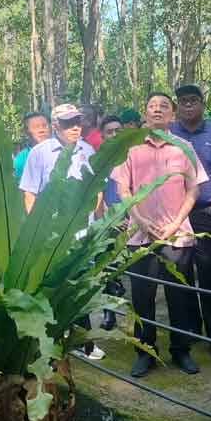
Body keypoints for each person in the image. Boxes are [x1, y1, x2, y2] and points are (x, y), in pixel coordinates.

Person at [112, 92, 209, 377]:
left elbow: (194, 189)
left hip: (176, 234)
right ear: (145, 113)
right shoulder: (129, 148)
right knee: (142, 296)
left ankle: (181, 350)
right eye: (152, 106)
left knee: (178, 294)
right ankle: (145, 352)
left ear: (172, 115)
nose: (157, 110)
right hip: (139, 234)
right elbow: (123, 190)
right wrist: (140, 220)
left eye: (163, 106)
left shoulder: (184, 147)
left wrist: (176, 223)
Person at [20, 103, 103, 359]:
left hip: (82, 233)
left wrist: (95, 222)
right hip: (52, 236)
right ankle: (50, 343)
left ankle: (85, 342)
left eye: (78, 121)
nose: (74, 127)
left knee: (81, 287)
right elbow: (30, 193)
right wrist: (37, 229)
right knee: (53, 287)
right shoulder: (40, 153)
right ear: (55, 126)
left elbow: (97, 189)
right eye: (68, 123)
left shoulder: (88, 150)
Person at [171, 84, 211, 360]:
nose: (188, 105)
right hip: (174, 215)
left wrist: (204, 192)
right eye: (183, 101)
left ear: (202, 104)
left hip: (207, 213)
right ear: (177, 106)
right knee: (180, 272)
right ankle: (189, 329)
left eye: (193, 100)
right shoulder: (168, 134)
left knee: (209, 272)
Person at [99, 114, 125, 330]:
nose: (115, 134)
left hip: (135, 219)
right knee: (109, 269)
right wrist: (110, 219)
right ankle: (109, 313)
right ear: (103, 135)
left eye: (118, 130)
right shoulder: (99, 160)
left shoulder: (133, 155)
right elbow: (97, 194)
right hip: (109, 223)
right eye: (110, 131)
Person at [13, 112, 51, 178]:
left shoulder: (63, 152)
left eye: (44, 126)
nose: (41, 130)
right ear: (26, 132)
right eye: (36, 127)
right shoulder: (21, 160)